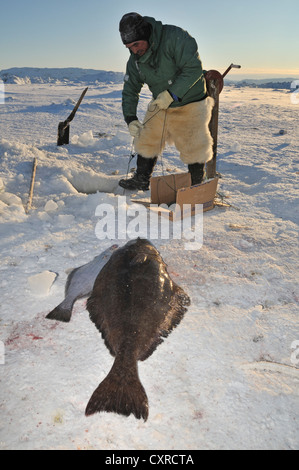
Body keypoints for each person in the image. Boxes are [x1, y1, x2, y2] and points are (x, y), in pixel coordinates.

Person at [118, 12, 214, 191]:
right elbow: (130, 90)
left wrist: (172, 94)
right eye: (129, 47)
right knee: (147, 138)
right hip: (162, 103)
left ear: (145, 34)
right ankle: (141, 178)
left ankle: (196, 185)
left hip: (191, 102)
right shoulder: (136, 61)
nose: (134, 51)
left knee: (194, 146)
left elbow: (193, 70)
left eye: (136, 44)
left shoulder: (175, 38)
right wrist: (130, 118)